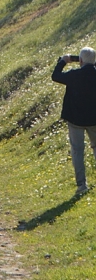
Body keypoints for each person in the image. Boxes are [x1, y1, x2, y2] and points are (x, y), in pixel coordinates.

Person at [51, 47, 96, 195]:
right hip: (94, 119)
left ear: (80, 60)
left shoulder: (74, 75)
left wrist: (63, 61)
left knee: (77, 151)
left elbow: (55, 76)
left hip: (76, 119)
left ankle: (81, 185)